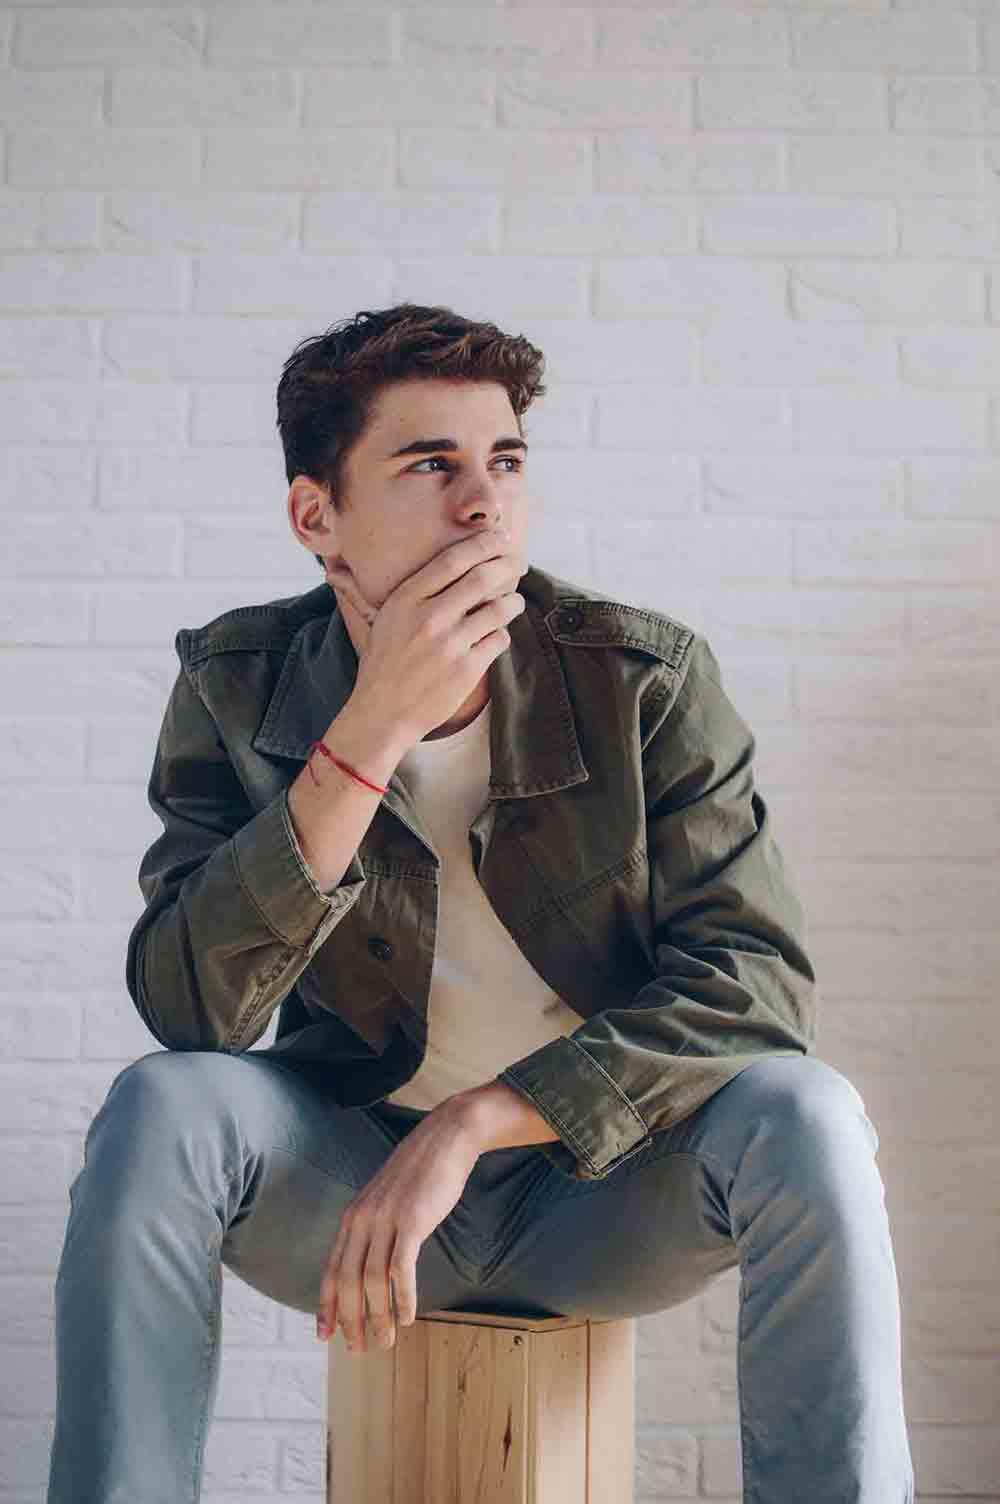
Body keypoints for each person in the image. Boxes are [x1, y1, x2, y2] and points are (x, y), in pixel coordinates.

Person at [46, 303, 915, 1502]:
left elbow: (753, 989)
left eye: (504, 462)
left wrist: (473, 1124)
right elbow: (192, 1009)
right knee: (160, 1107)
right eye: (430, 466)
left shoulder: (641, 679)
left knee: (808, 1112)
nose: (483, 505)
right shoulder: (236, 683)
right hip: (349, 1190)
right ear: (316, 516)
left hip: (601, 1192)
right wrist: (370, 729)